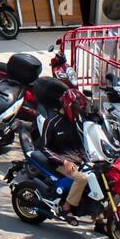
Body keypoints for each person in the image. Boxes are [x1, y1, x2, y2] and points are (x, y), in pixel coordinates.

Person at [43, 88, 91, 222]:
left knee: (97, 178)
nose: (77, 112)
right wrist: (63, 161)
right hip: (58, 163)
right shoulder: (52, 122)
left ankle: (98, 218)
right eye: (75, 109)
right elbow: (44, 147)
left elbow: (80, 145)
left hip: (77, 161)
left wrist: (88, 160)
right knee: (81, 179)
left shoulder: (74, 122)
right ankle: (66, 207)